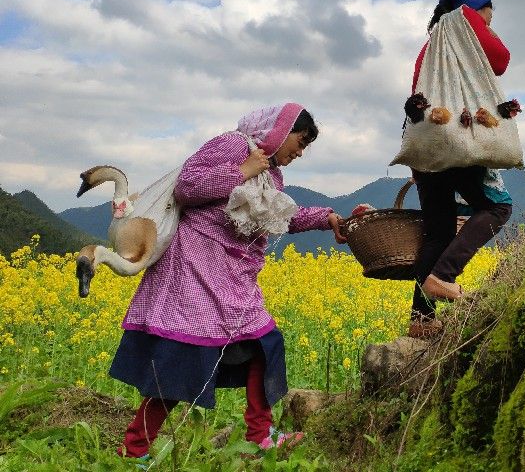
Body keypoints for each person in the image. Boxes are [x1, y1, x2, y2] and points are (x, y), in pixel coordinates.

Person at [109, 103, 347, 460]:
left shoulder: (272, 175)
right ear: (279, 131)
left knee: (264, 346)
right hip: (194, 269)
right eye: (299, 141)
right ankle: (133, 449)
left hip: (234, 277)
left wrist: (326, 218)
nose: (299, 152)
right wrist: (240, 171)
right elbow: (188, 185)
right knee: (181, 362)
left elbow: (280, 216)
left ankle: (260, 435)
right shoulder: (234, 146)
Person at [408, 0, 513, 339]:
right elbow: (500, 61)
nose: (490, 19)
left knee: (438, 231)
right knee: (498, 207)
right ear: (473, 9)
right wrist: (483, 26)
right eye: (489, 13)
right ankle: (443, 278)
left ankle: (420, 320)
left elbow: (416, 96)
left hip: (426, 148)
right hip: (458, 141)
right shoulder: (465, 24)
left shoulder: (430, 47)